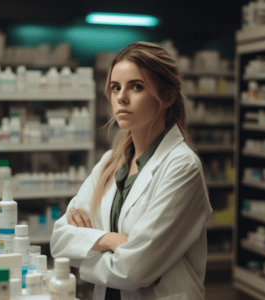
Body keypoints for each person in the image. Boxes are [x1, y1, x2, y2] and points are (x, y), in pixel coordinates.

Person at [50, 41, 213, 300]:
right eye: (115, 87)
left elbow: (131, 272)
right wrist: (109, 240)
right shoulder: (109, 162)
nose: (121, 97)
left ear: (168, 96)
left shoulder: (182, 167)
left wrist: (85, 253)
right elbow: (59, 240)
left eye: (136, 86)